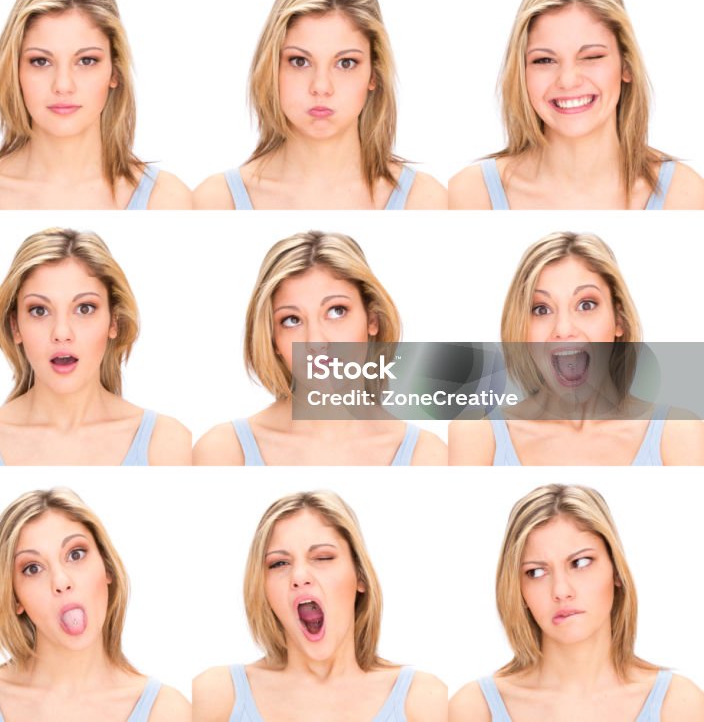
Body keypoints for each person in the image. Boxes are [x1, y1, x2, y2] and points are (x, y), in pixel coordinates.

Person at [449, 0, 704, 210]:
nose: (568, 80)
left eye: (591, 56)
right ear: (521, 73)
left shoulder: (684, 195)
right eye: (544, 60)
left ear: (626, 65)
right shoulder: (469, 194)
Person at [449, 484, 704, 721]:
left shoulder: (679, 705)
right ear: (518, 589)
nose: (561, 591)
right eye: (536, 572)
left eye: (580, 563)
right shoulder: (474, 709)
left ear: (616, 570)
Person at [0, 0, 191, 210]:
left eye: (86, 61)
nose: (62, 85)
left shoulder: (167, 200)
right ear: (14, 71)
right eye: (40, 61)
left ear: (114, 71)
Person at [0, 228, 191, 465]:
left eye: (84, 309)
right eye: (39, 310)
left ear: (114, 321)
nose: (61, 333)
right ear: (15, 326)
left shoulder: (168, 444)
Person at [193, 0, 445, 210]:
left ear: (374, 73)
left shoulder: (426, 201)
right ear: (271, 68)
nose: (321, 87)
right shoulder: (216, 201)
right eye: (300, 61)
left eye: (346, 63)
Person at [448, 232, 704, 466]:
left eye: (586, 304)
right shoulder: (476, 435)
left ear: (619, 319)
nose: (563, 328)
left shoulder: (678, 431)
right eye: (541, 309)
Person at [193, 231, 447, 465]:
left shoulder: (427, 456)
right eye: (292, 320)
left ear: (372, 320)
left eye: (336, 311)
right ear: (272, 339)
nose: (316, 341)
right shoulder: (222, 452)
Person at [0, 487, 191, 721]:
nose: (61, 581)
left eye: (75, 554)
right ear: (14, 597)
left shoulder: (168, 711)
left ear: (107, 569)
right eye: (33, 568)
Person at [193, 490, 446, 720]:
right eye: (279, 563)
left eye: (323, 557)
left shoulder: (425, 700)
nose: (299, 576)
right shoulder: (216, 696)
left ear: (360, 575)